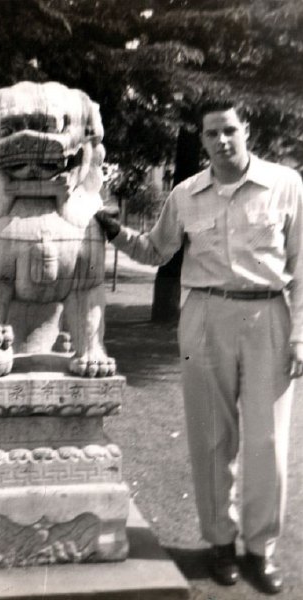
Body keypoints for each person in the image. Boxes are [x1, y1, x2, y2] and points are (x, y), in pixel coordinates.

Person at [95, 99, 303, 595]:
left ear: (245, 129)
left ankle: (260, 551)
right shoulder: (186, 193)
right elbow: (156, 250)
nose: (222, 140)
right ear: (204, 139)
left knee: (267, 444)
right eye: (212, 134)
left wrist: (300, 332)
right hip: (204, 317)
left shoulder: (287, 185)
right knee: (210, 438)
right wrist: (114, 231)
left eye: (230, 129)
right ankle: (220, 545)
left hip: (269, 314)